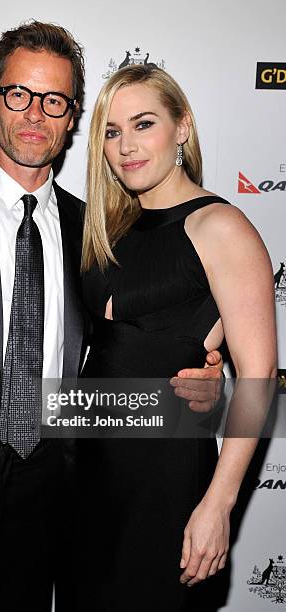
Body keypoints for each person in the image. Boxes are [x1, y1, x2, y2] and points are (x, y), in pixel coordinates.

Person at [0, 22, 223, 612]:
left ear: (72, 116)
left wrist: (202, 378)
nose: (34, 114)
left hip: (53, 486)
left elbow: (129, 343)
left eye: (54, 100)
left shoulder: (97, 230)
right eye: (19, 94)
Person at [71, 63, 276, 611]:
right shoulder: (106, 227)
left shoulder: (218, 227)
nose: (125, 146)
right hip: (86, 473)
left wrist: (218, 505)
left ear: (182, 127)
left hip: (162, 473)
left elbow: (257, 377)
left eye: (143, 124)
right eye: (111, 132)